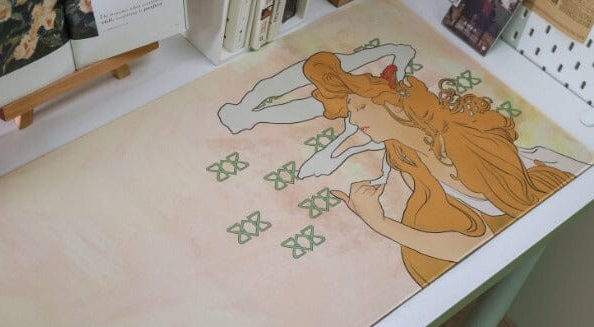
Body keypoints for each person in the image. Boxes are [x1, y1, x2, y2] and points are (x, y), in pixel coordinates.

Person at [218, 45, 582, 285]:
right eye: (350, 111)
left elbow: (473, 246)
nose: (353, 119)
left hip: (550, 202)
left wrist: (378, 223)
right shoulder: (405, 160)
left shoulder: (461, 141)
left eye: (360, 108)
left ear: (392, 104)